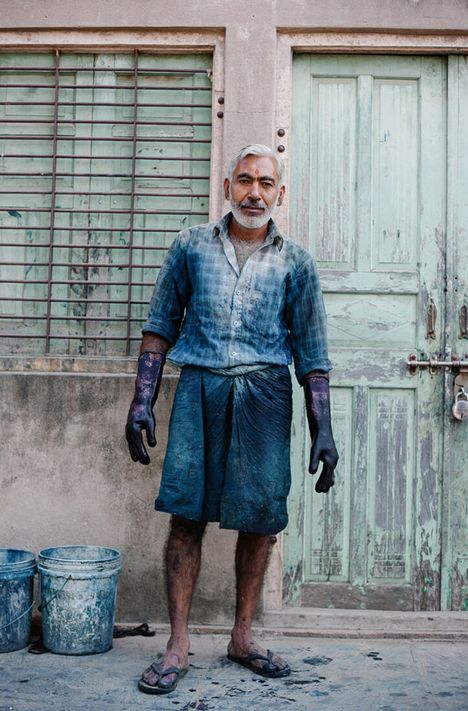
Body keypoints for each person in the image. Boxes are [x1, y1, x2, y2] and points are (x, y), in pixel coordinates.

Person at [125, 144, 338, 695]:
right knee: (186, 516)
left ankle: (242, 636)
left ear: (280, 194)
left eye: (266, 183)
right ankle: (177, 643)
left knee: (261, 521)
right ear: (227, 187)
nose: (254, 192)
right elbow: (159, 324)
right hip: (199, 388)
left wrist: (324, 430)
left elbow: (312, 354)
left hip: (266, 395)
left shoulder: (297, 263)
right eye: (244, 180)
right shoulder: (191, 245)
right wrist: (142, 399)